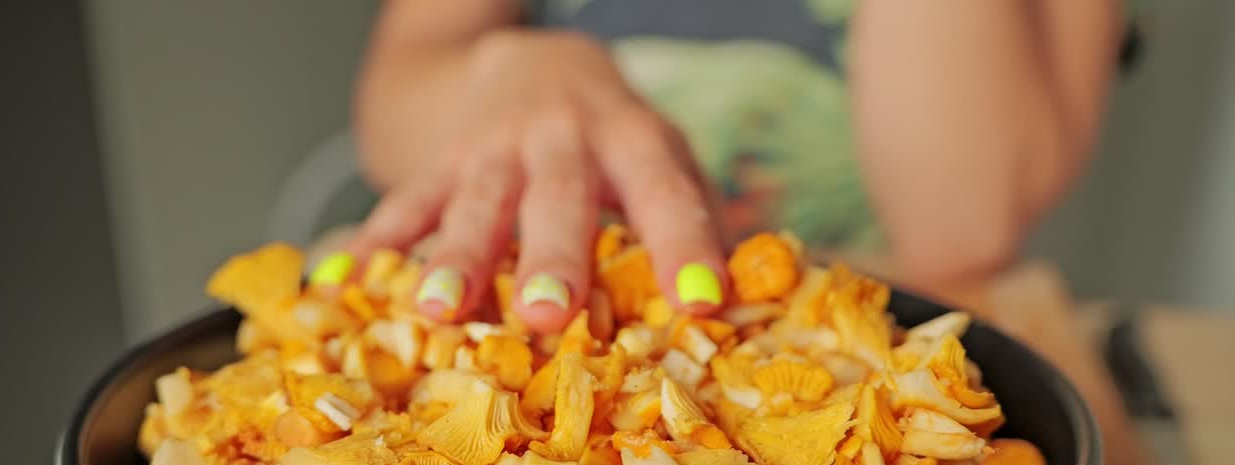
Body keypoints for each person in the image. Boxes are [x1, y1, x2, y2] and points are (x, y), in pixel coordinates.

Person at [330, 0, 1138, 334]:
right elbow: (390, 116)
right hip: (530, 315)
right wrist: (516, 71)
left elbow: (959, 218)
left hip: (876, 341)